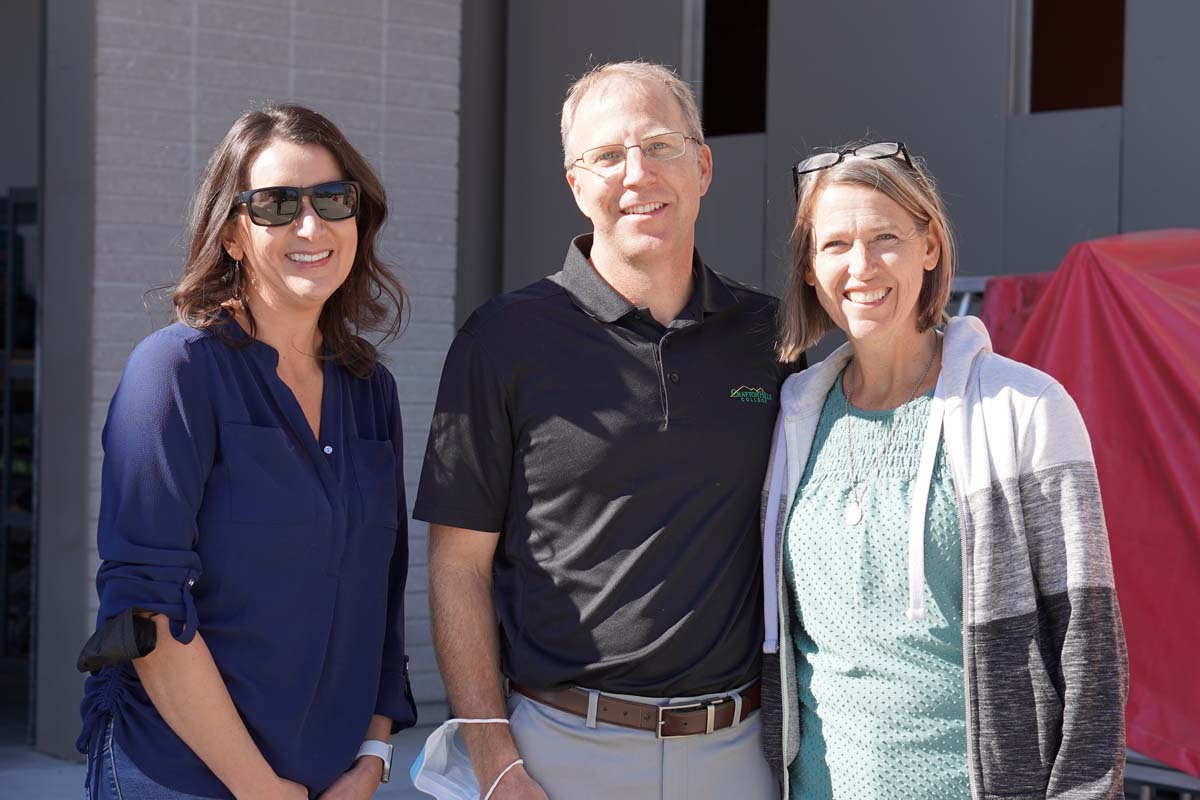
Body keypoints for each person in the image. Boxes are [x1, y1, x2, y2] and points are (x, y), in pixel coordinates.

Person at [414, 61, 795, 799]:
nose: (636, 174)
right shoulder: (503, 339)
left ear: (704, 166)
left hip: (738, 754)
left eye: (661, 146)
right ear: (575, 183)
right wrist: (496, 763)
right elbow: (456, 566)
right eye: (607, 156)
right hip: (558, 753)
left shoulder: (771, 337)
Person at [759, 141, 1128, 799]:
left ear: (929, 245)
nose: (862, 266)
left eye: (885, 238)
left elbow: (1090, 656)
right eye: (836, 244)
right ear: (810, 269)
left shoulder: (1025, 411)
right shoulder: (791, 420)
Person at [76, 103, 417, 799]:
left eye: (332, 199)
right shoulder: (175, 374)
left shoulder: (368, 390)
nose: (311, 225)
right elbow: (148, 613)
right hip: (178, 780)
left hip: (332, 784)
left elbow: (380, 596)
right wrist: (259, 789)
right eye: (276, 205)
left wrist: (374, 757)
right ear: (232, 232)